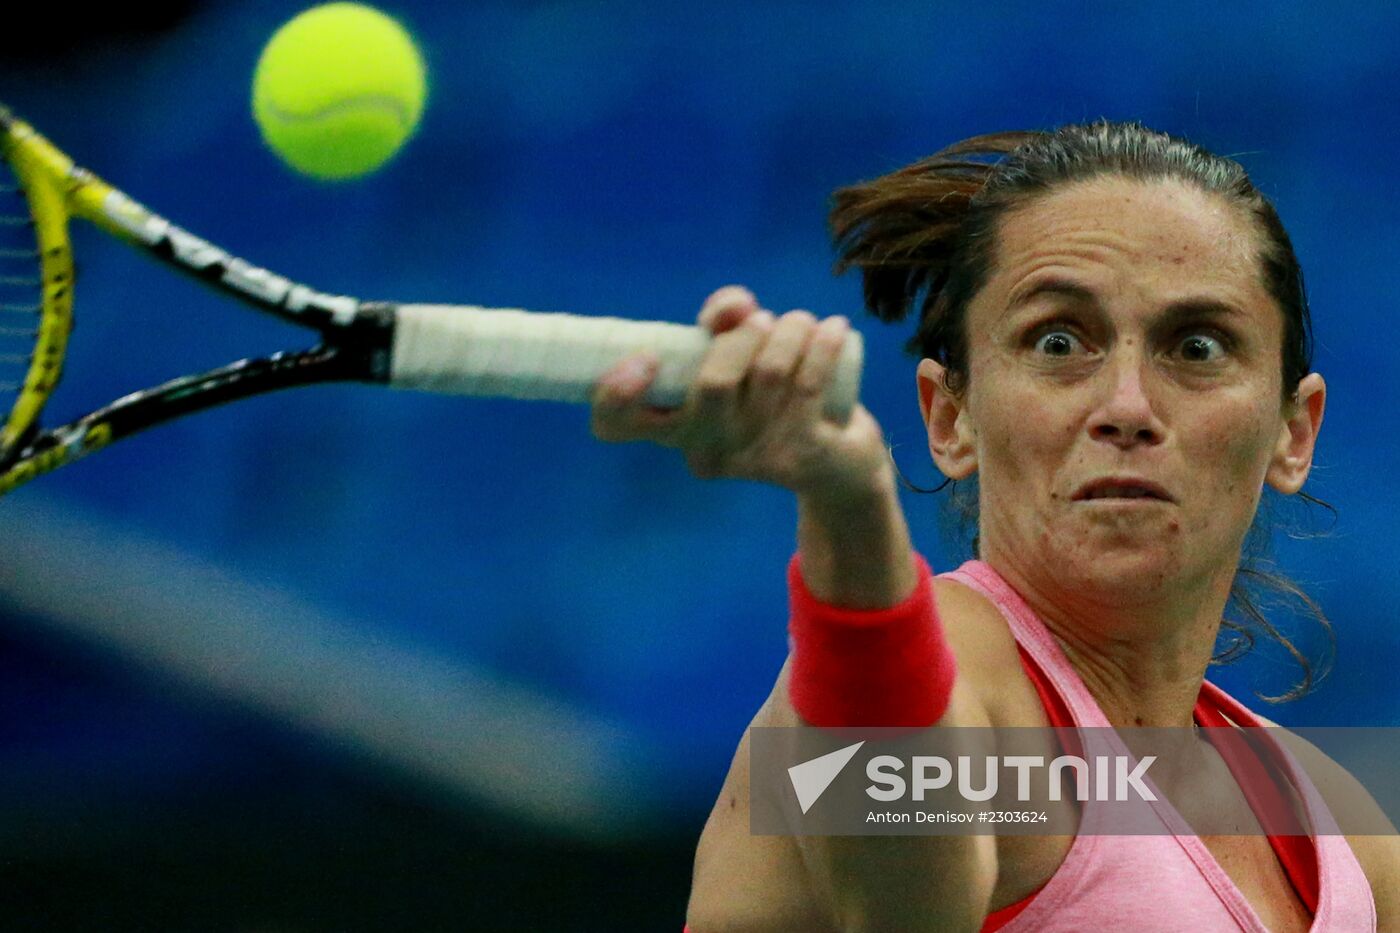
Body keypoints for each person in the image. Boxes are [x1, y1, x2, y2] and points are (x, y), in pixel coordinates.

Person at [589, 121, 1398, 932]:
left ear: (1294, 433)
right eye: (1057, 340)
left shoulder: (1349, 835)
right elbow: (902, 906)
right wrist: (850, 505)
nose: (1127, 407)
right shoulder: (910, 681)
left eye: (1196, 345)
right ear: (950, 418)